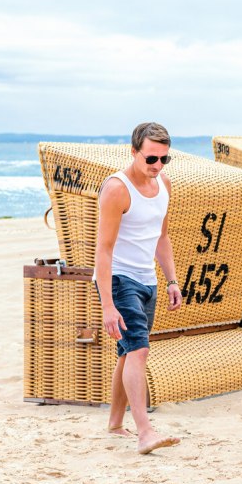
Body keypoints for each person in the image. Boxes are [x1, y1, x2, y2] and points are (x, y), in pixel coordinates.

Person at [95, 122, 183, 454]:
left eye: (164, 159)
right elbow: (103, 249)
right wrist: (107, 304)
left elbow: (162, 236)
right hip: (119, 279)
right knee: (140, 350)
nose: (157, 166)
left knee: (128, 351)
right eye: (150, 159)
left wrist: (171, 279)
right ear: (133, 152)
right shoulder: (117, 189)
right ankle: (144, 431)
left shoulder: (164, 184)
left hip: (148, 279)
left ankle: (116, 424)